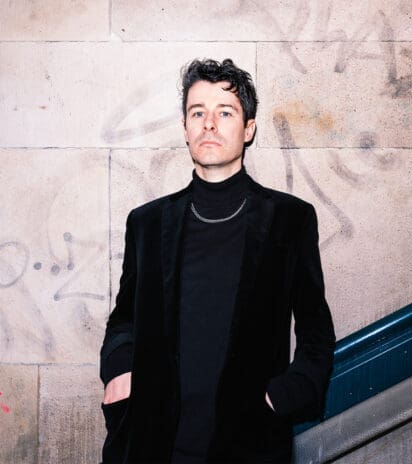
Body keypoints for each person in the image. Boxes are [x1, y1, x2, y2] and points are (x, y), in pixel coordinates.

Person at [99, 58, 336, 463]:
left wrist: (282, 397)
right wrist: (120, 373)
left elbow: (316, 331)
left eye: (225, 112)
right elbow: (123, 318)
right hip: (151, 444)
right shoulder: (147, 223)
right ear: (186, 128)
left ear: (248, 129)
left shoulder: (289, 220)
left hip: (247, 445)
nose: (209, 123)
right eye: (198, 113)